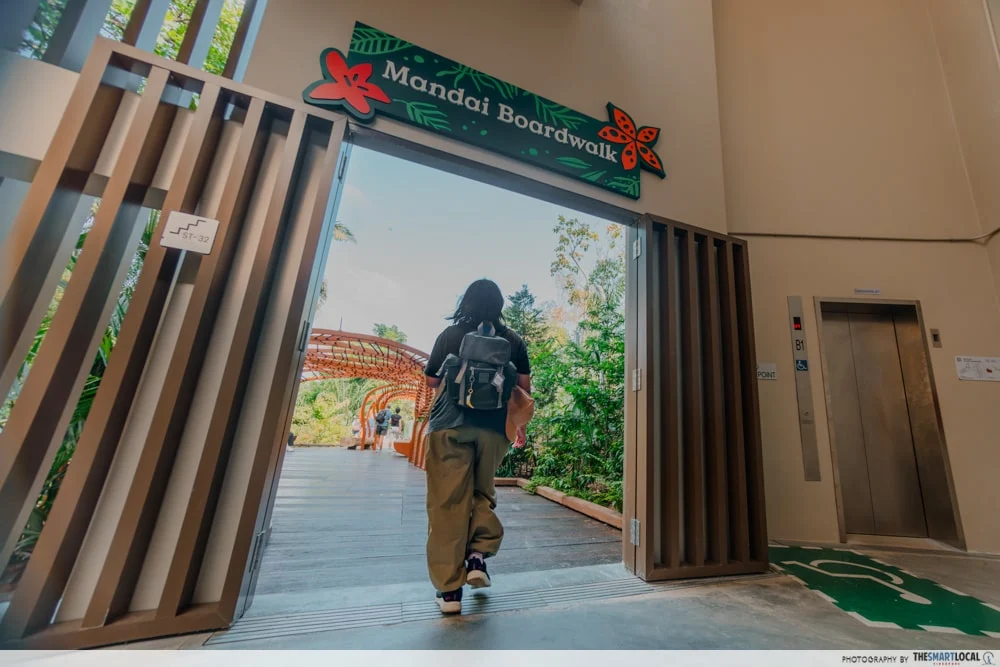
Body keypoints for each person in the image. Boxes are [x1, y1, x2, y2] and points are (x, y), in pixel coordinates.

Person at [423, 279, 531, 614]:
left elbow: (430, 380)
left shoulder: (450, 336)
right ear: (499, 305)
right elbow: (524, 388)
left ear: (465, 302)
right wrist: (520, 428)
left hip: (449, 427)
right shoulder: (513, 340)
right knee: (482, 492)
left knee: (447, 504)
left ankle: (450, 591)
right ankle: (477, 557)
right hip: (494, 430)